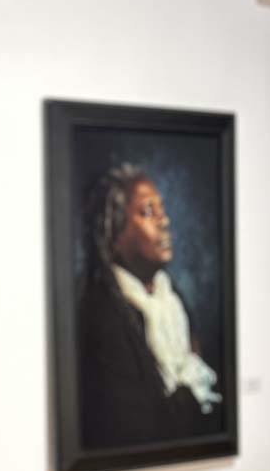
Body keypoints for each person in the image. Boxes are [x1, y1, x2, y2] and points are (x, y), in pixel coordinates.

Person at [77, 163, 221, 448]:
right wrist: (189, 394)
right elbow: (136, 425)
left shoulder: (171, 299)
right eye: (147, 212)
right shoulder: (100, 310)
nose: (164, 221)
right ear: (115, 235)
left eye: (162, 210)